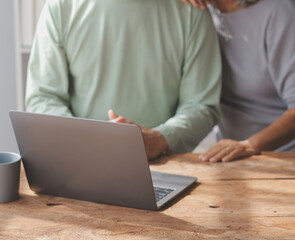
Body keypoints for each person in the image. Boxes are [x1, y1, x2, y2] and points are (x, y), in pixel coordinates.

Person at [25, 0, 222, 160]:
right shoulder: (60, 7)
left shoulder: (192, 11)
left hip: (163, 164)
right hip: (78, 162)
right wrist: (84, 140)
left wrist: (160, 138)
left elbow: (201, 105)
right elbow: (43, 98)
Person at [181, 0, 295, 162]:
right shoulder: (200, 13)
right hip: (230, 158)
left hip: (283, 157)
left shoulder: (279, 12)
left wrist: (250, 145)